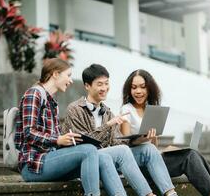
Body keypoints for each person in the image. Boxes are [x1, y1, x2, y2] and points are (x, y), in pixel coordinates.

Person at [14, 58, 126, 196]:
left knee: (102, 158)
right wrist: (58, 140)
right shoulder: (34, 94)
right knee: (89, 150)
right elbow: (29, 132)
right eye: (68, 75)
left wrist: (69, 141)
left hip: (51, 160)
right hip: (34, 165)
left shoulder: (52, 101)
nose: (71, 80)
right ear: (55, 74)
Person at [63, 64, 178, 196]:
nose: (104, 88)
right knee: (122, 151)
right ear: (87, 86)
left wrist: (139, 140)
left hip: (109, 158)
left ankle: (171, 193)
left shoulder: (108, 112)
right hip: (87, 160)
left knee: (149, 149)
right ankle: (148, 194)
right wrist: (108, 125)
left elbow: (117, 144)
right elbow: (83, 144)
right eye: (99, 84)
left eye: (106, 83)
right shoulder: (75, 109)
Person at [120, 69, 210, 196]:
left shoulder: (152, 109)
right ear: (129, 89)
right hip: (138, 166)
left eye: (143, 87)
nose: (138, 91)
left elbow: (153, 146)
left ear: (149, 89)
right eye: (134, 87)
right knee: (190, 156)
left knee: (192, 154)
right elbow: (125, 145)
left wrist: (155, 142)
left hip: (154, 161)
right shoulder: (126, 109)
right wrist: (143, 139)